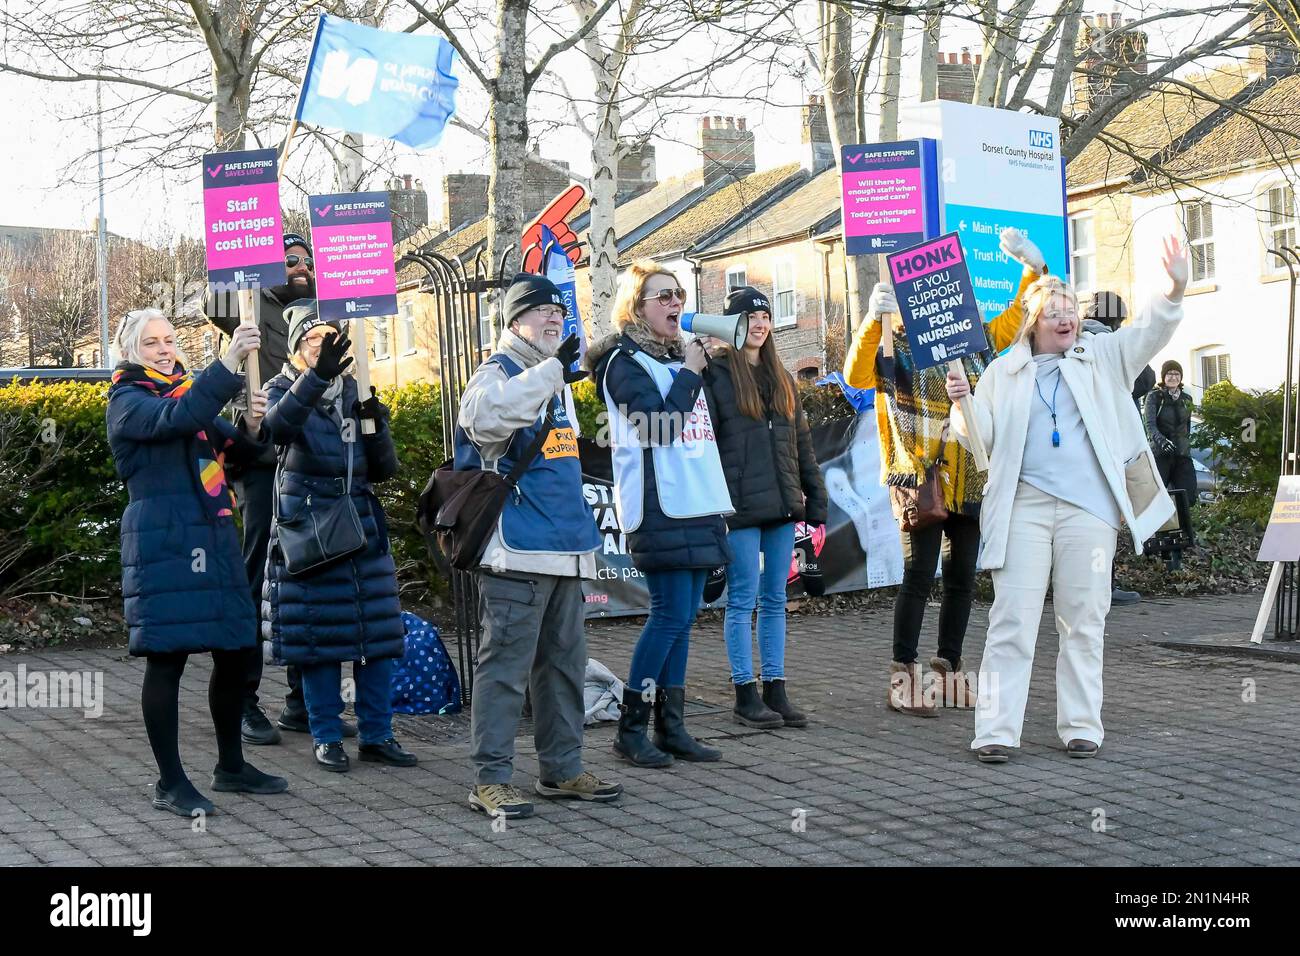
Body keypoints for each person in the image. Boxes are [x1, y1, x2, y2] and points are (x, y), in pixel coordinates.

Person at [946, 236, 1188, 763]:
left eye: (1071, 311)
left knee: (1084, 617)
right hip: (1023, 509)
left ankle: (1081, 724)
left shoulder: (1101, 357)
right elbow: (977, 441)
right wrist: (962, 404)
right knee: (1012, 619)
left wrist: (1174, 287)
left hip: (1089, 510)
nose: (1066, 319)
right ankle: (995, 730)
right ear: (1033, 320)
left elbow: (1149, 331)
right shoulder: (1003, 372)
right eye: (1054, 311)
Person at [844, 227, 1044, 717]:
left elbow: (1020, 319)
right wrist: (874, 317)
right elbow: (855, 375)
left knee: (961, 579)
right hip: (920, 478)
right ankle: (902, 677)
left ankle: (950, 671)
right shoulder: (899, 348)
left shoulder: (978, 345)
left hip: (970, 477)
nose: (963, 308)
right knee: (917, 575)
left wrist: (1031, 268)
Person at [106, 308, 289, 817]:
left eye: (168, 340)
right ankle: (170, 782)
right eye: (150, 343)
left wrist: (253, 426)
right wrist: (228, 363)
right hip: (164, 540)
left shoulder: (192, 397)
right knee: (168, 658)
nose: (164, 349)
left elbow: (243, 456)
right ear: (130, 353)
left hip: (212, 534)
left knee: (234, 648)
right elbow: (176, 420)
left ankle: (231, 767)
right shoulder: (127, 400)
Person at [455, 273, 623, 820]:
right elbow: (483, 421)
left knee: (563, 668)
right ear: (513, 321)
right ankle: (491, 779)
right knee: (504, 669)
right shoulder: (496, 372)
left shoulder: (555, 382)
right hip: (516, 553)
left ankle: (563, 769)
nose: (555, 318)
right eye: (541, 311)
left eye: (560, 310)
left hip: (566, 548)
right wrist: (552, 371)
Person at [586, 260, 734, 768]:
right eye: (663, 296)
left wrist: (702, 368)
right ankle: (632, 729)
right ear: (637, 307)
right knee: (669, 616)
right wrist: (692, 372)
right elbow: (660, 426)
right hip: (659, 504)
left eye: (678, 295)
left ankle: (672, 726)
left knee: (685, 617)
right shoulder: (621, 363)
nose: (675, 304)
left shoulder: (676, 359)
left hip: (695, 501)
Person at [260, 305, 416, 773]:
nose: (323, 347)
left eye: (330, 338)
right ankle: (325, 735)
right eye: (313, 341)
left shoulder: (356, 389)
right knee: (319, 640)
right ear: (297, 350)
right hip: (311, 530)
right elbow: (275, 432)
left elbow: (384, 470)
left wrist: (376, 426)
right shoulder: (280, 388)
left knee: (378, 638)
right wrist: (314, 380)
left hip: (362, 526)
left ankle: (377, 733)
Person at [205, 233, 327, 745]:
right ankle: (244, 698)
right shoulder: (250, 307)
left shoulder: (321, 312)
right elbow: (215, 297)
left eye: (306, 259)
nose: (300, 267)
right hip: (261, 460)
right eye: (288, 260)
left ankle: (303, 699)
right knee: (255, 578)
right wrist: (239, 250)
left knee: (309, 576)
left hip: (310, 461)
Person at [703, 284, 828, 729]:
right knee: (742, 600)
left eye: (765, 317)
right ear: (731, 325)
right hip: (737, 508)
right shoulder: (715, 376)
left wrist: (816, 503)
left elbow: (802, 446)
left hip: (780, 505)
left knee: (775, 597)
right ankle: (744, 693)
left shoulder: (782, 376)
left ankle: (775, 687)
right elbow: (704, 445)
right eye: (749, 317)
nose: (759, 324)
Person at [1083, 291, 1148, 607]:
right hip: (1107, 445)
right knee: (1105, 520)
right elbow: (1146, 378)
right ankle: (1103, 587)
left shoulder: (1071, 341)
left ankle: (1084, 584)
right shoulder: (1110, 343)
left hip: (1081, 447)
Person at [1146, 359, 1197, 511]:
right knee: (1157, 497)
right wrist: (1162, 442)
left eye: (1177, 374)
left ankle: (1184, 530)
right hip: (1161, 454)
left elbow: (1186, 426)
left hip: (1182, 455)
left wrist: (1186, 446)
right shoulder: (1155, 397)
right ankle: (1157, 531)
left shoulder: (1187, 399)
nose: (1173, 377)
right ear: (1163, 377)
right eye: (1169, 373)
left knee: (1188, 497)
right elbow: (1150, 425)